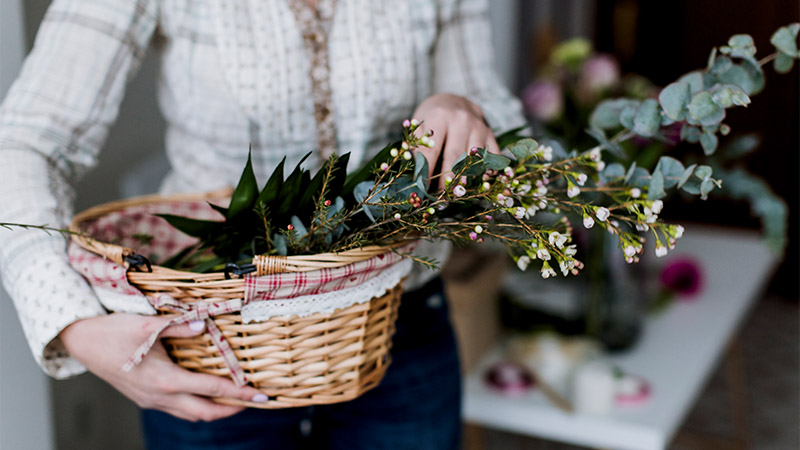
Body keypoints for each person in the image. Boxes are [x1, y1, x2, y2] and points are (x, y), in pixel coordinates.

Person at [0, 0, 523, 448]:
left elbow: (495, 122)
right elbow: (26, 142)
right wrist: (72, 326)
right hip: (210, 346)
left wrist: (462, 110)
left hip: (395, 329)